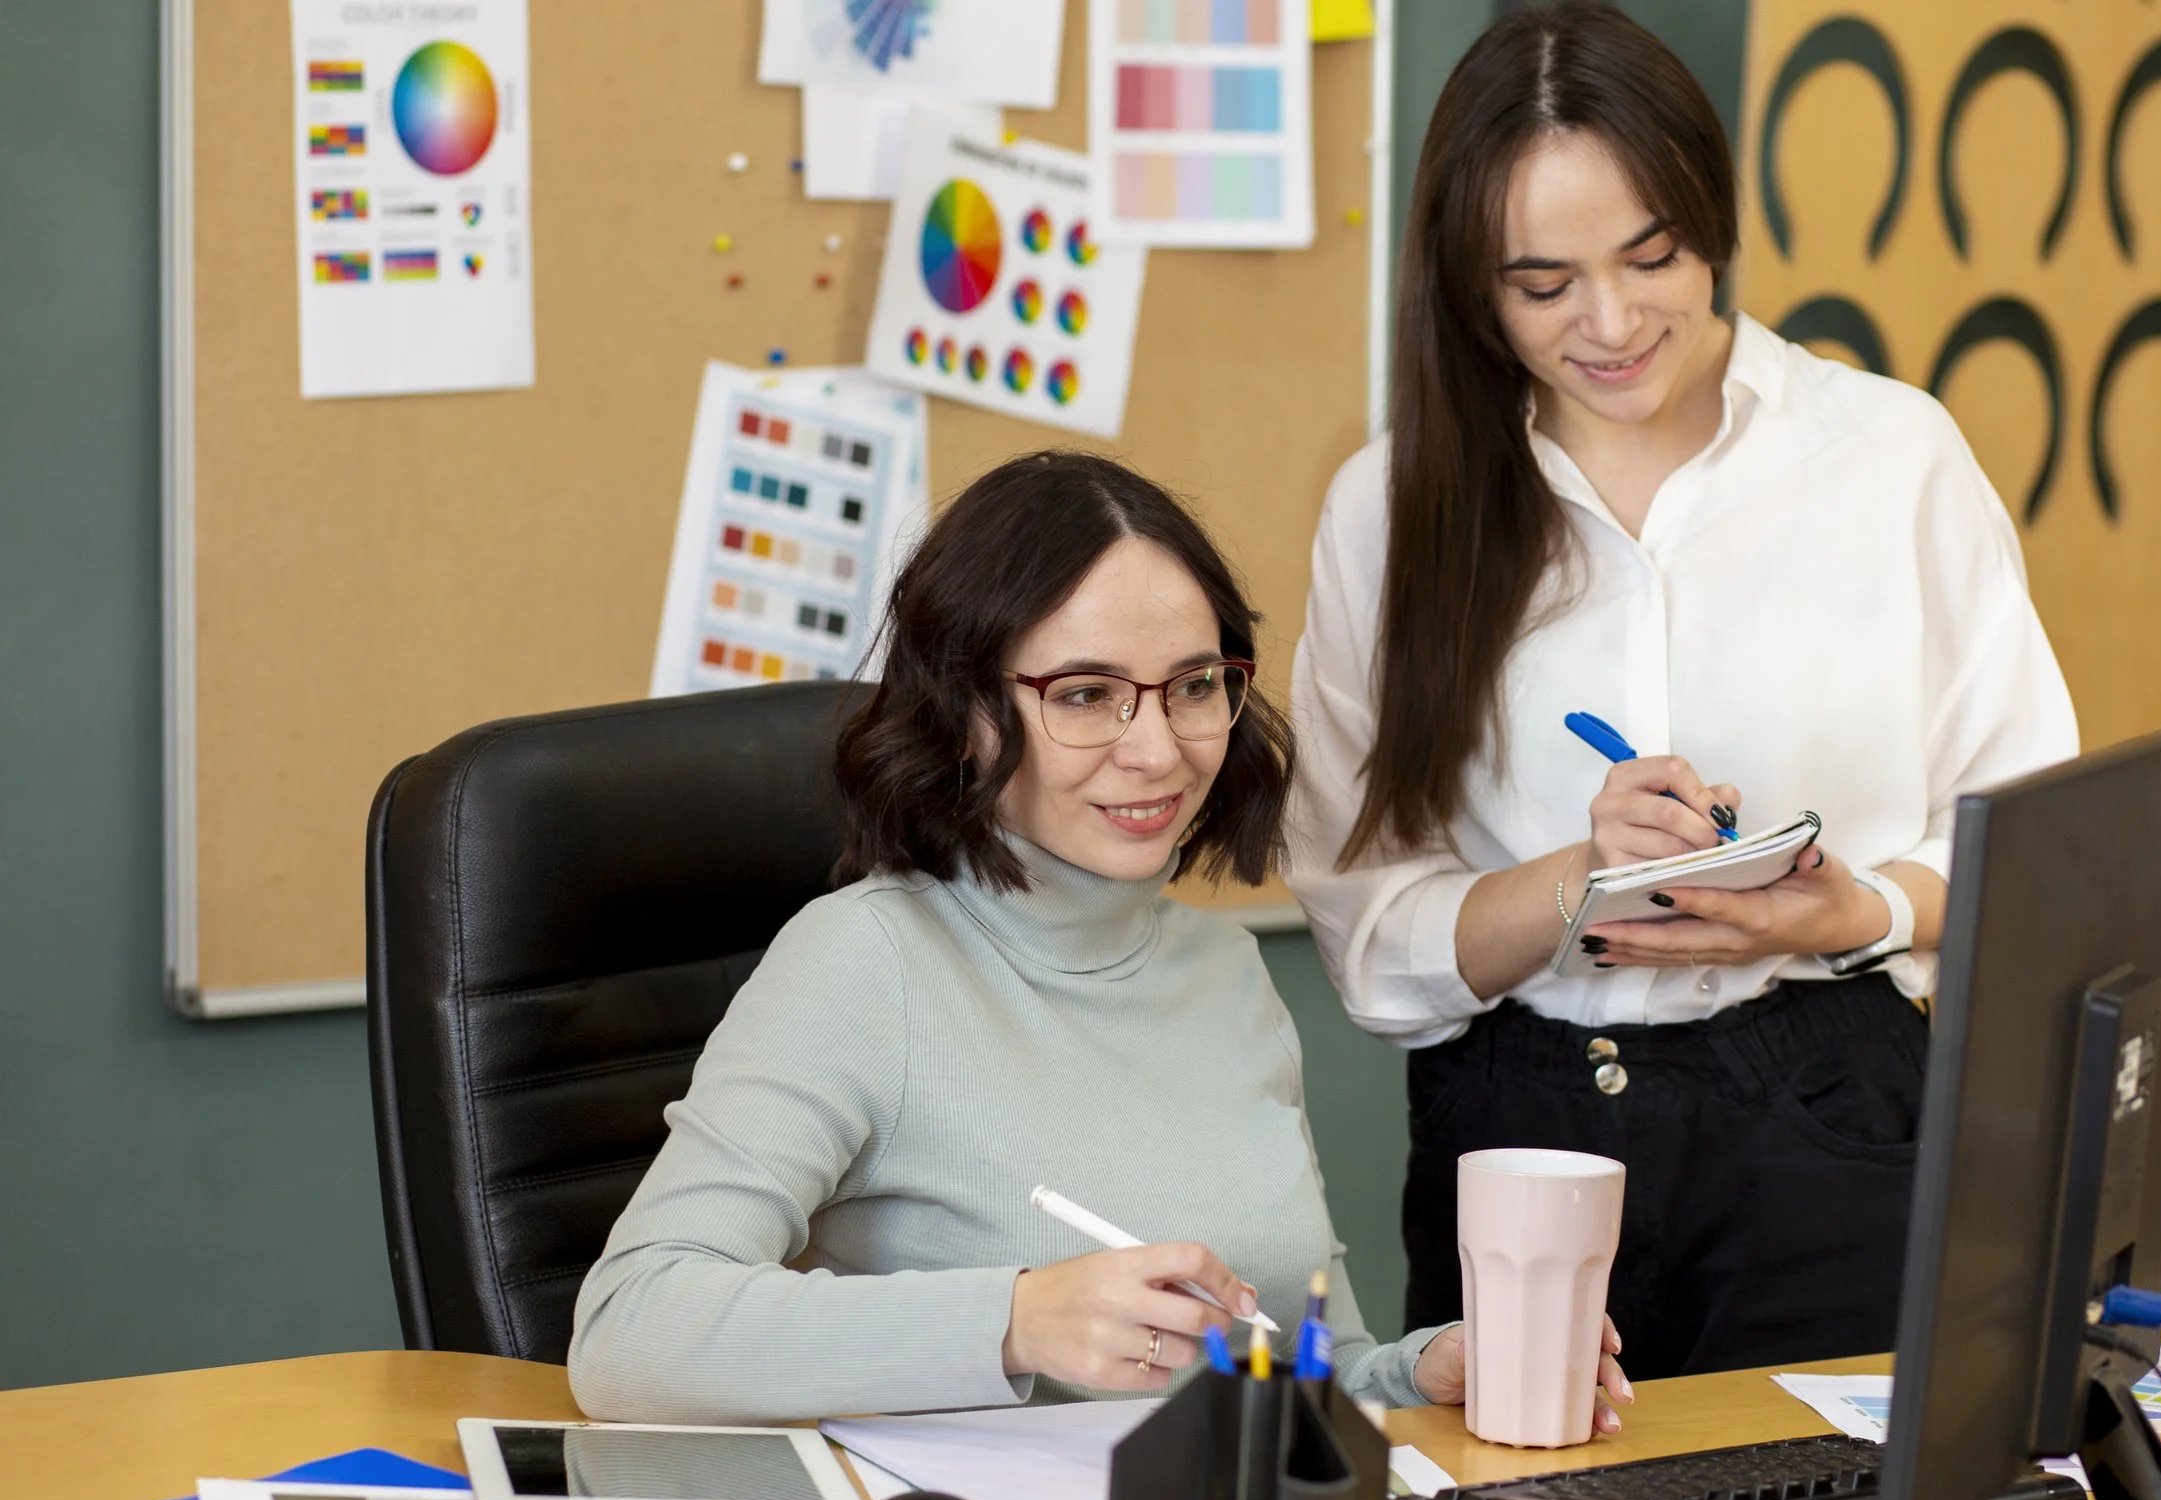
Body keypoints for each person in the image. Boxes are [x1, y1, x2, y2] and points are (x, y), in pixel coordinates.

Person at [1286, 3, 2079, 1383]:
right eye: (1543, 285)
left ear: (1710, 219)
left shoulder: (1890, 456)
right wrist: (1580, 879)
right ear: (1470, 285)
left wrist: (1857, 908)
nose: (1610, 322)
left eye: (1651, 257)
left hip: (1827, 1109)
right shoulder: (1393, 508)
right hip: (1517, 1129)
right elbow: (1366, 929)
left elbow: (2033, 837)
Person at [569, 450, 1632, 1428]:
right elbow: (628, 1327)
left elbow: (1305, 1365)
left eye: (1193, 686)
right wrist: (1016, 1321)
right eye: (1085, 695)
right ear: (964, 711)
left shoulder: (1226, 975)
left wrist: (1417, 1371)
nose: (1158, 749)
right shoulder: (864, 963)